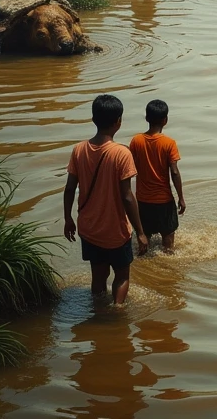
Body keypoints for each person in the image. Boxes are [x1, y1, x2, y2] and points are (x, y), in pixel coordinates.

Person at [63, 94, 148, 305]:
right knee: (121, 276)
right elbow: (127, 197)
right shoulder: (121, 154)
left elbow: (69, 188)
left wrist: (68, 219)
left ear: (93, 119)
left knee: (98, 278)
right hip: (115, 231)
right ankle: (117, 315)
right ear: (118, 121)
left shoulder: (79, 150)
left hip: (89, 229)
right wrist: (140, 232)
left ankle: (98, 315)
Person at [129, 99, 185, 253]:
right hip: (164, 201)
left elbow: (130, 169)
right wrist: (181, 197)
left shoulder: (136, 141)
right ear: (165, 120)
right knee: (168, 246)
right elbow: (174, 172)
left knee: (143, 242)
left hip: (142, 201)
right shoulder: (169, 143)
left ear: (146, 118)